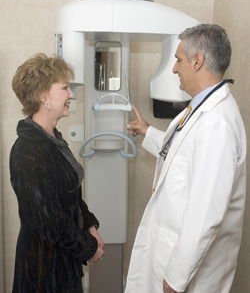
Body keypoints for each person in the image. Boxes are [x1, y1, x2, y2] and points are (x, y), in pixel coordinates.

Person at [125, 24, 246, 293]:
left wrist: (176, 280)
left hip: (189, 275)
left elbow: (205, 215)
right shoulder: (201, 106)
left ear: (197, 60)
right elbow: (182, 155)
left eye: (178, 60)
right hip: (170, 255)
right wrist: (147, 131)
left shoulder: (217, 124)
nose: (174, 68)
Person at [10, 53, 105, 293]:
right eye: (64, 88)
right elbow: (47, 218)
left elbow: (69, 194)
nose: (71, 94)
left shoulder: (53, 139)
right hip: (44, 266)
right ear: (43, 97)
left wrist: (89, 225)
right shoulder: (27, 150)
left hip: (64, 256)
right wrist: (88, 248)